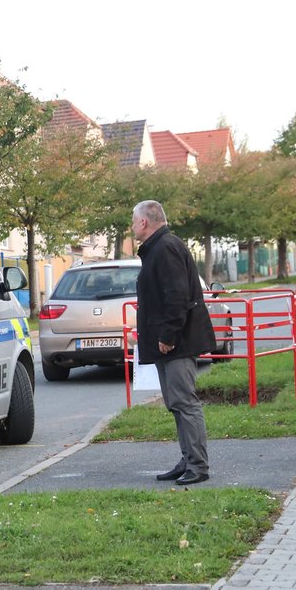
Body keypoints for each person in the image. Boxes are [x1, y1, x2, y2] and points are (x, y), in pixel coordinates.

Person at [132, 200, 217, 486]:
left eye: (134, 221)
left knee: (184, 401)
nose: (132, 227)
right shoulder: (158, 248)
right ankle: (188, 459)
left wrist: (167, 336)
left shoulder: (165, 247)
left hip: (176, 342)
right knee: (176, 403)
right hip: (167, 341)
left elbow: (177, 297)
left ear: (144, 222)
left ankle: (198, 465)